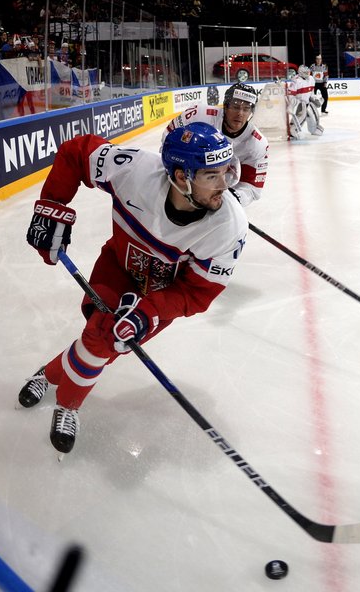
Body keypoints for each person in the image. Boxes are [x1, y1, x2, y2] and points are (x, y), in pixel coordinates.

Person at [18, 122, 248, 454]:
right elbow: (76, 153)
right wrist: (52, 208)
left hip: (158, 297)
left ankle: (49, 374)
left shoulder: (229, 227)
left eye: (228, 172)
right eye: (212, 176)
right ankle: (67, 406)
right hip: (117, 269)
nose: (224, 186)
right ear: (182, 177)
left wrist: (147, 313)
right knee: (99, 340)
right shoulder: (136, 170)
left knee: (102, 346)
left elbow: (198, 293)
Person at [163, 83, 270, 207]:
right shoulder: (199, 114)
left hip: (222, 187)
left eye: (246, 109)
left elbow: (252, 188)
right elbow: (169, 137)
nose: (240, 113)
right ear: (225, 106)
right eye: (235, 107)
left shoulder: (258, 144)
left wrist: (234, 197)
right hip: (185, 180)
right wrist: (173, 168)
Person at [287, 64, 324, 139]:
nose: (308, 74)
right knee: (301, 117)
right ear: (301, 73)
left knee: (314, 115)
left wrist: (315, 98)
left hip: (308, 102)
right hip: (300, 103)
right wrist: (294, 103)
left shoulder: (311, 79)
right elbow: (290, 94)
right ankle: (293, 130)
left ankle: (314, 129)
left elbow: (311, 92)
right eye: (306, 73)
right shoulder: (296, 81)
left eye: (308, 72)